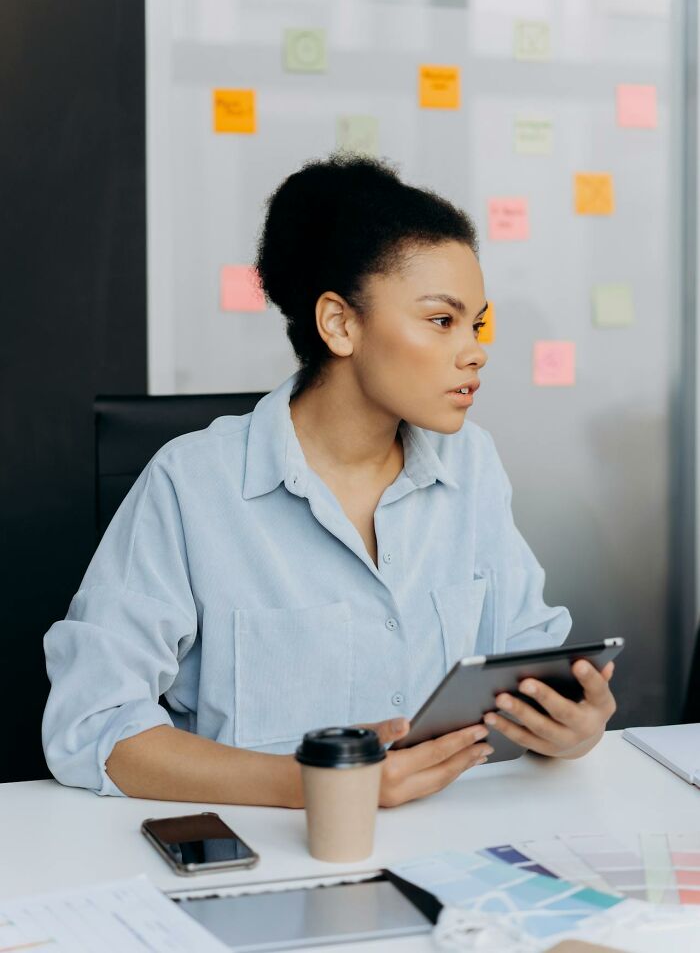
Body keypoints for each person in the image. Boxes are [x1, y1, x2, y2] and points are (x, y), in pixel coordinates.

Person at [42, 157, 616, 808]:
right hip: (260, 860)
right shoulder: (191, 483)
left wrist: (571, 727)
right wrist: (322, 785)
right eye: (441, 320)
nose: (475, 349)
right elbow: (91, 725)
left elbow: (530, 658)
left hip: (449, 850)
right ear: (340, 323)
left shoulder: (471, 464)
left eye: (476, 323)